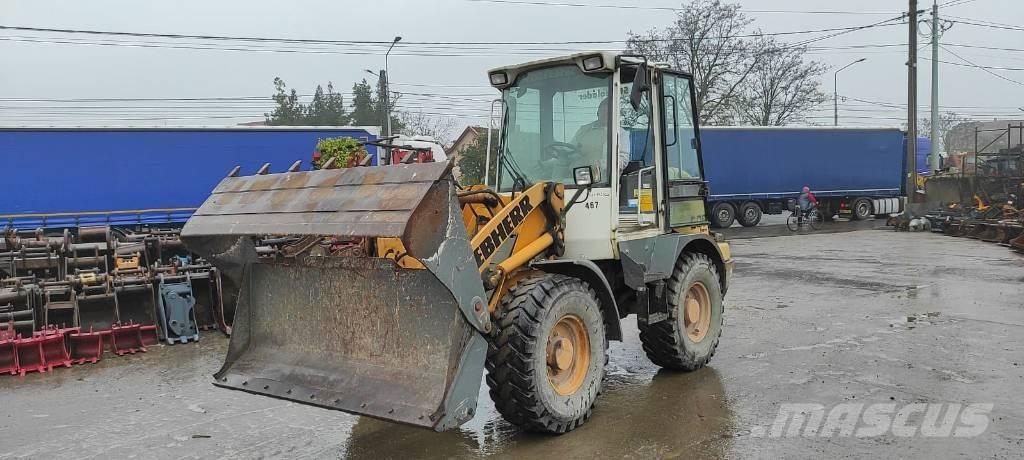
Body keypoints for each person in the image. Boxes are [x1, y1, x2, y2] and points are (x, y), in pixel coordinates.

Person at [571, 98, 631, 179]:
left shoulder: (620, 133)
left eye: (608, 112)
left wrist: (602, 164)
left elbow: (623, 159)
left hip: (605, 180)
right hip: (578, 174)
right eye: (603, 112)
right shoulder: (584, 130)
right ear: (597, 113)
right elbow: (571, 149)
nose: (605, 115)